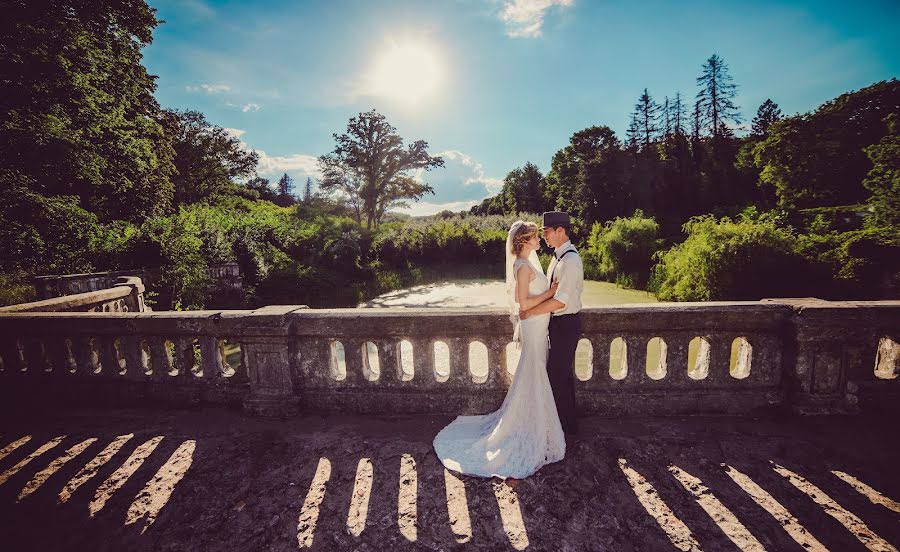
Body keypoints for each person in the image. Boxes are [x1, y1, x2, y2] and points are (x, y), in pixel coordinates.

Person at [432, 220, 566, 479]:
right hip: (534, 324)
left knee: (534, 370)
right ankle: (532, 429)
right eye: (535, 237)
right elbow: (522, 302)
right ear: (524, 241)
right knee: (534, 370)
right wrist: (550, 293)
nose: (539, 240)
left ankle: (535, 424)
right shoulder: (523, 266)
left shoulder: (528, 262)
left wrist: (549, 294)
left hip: (538, 326)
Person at [520, 211, 583, 436]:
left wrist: (529, 311)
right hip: (557, 326)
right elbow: (551, 293)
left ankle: (564, 430)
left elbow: (560, 302)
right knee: (561, 376)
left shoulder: (571, 261)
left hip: (566, 324)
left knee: (557, 377)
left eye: (547, 232)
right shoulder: (558, 257)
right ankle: (567, 427)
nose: (544, 236)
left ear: (560, 231)